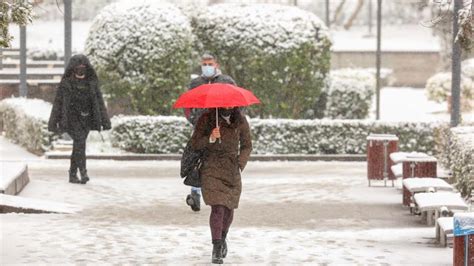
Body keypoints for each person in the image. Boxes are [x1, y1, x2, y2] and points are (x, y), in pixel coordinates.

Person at [190, 107, 252, 264]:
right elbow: (195, 143)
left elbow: (247, 145)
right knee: (218, 208)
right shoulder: (207, 118)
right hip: (211, 169)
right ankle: (216, 247)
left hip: (232, 170)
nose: (228, 107)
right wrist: (210, 137)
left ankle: (222, 238)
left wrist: (240, 163)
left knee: (229, 211)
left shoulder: (240, 120)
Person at [184, 53, 236, 212]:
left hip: (221, 129)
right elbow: (187, 107)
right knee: (198, 160)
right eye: (204, 63)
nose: (207, 66)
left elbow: (236, 104)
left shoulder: (226, 82)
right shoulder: (196, 83)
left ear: (216, 64)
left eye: (210, 63)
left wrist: (230, 122)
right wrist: (195, 120)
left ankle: (220, 194)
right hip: (201, 128)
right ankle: (195, 194)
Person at [48, 54, 111, 184]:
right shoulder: (66, 83)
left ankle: (72, 174)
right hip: (71, 119)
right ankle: (83, 171)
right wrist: (53, 122)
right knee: (80, 142)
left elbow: (99, 102)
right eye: (78, 67)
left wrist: (105, 121)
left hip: (86, 119)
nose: (81, 69)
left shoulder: (91, 83)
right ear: (73, 68)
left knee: (79, 145)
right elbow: (58, 103)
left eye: (83, 67)